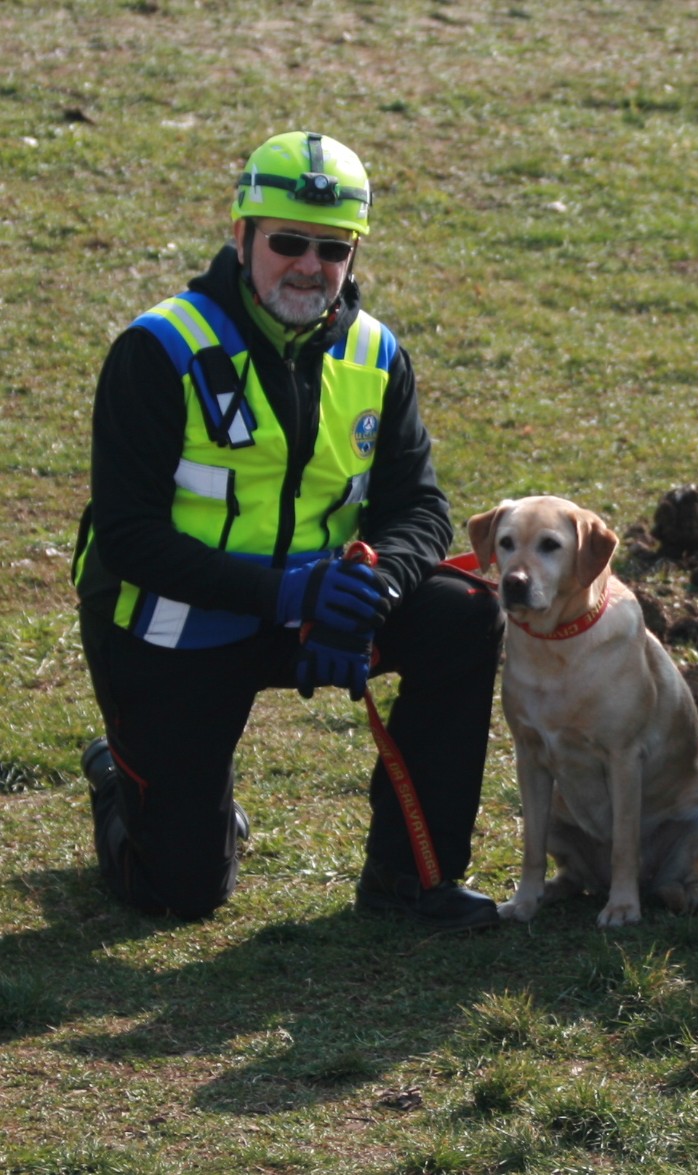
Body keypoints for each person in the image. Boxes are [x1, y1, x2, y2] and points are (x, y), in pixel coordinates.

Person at [71, 131, 505, 930]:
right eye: (288, 242)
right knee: (179, 893)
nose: (310, 265)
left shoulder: (377, 354)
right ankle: (120, 782)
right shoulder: (157, 350)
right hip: (173, 627)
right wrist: (287, 592)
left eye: (333, 249)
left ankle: (412, 879)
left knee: (466, 613)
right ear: (242, 237)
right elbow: (127, 536)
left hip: (321, 613)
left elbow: (419, 508)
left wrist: (377, 585)